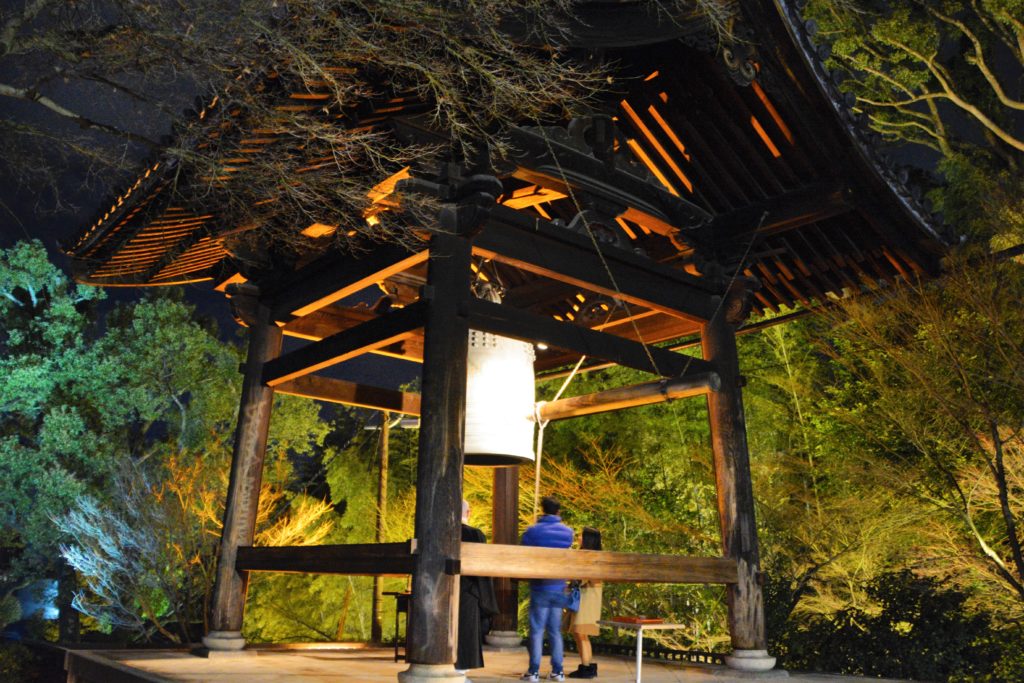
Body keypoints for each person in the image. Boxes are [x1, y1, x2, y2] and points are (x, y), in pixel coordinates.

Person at [520, 496, 574, 682]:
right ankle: (558, 671)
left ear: (542, 509)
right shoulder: (567, 532)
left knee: (536, 631)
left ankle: (533, 671)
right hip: (559, 586)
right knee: (555, 631)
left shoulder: (533, 531)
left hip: (540, 586)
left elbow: (524, 550)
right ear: (558, 511)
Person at [456, 500, 498, 680]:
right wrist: (486, 599)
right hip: (468, 590)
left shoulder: (440, 533)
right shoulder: (475, 534)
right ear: (469, 512)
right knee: (466, 631)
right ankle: (460, 674)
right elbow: (483, 569)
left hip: (441, 592)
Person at [567, 528, 603, 679]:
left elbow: (583, 576)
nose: (578, 537)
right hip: (586, 596)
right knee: (580, 633)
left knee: (581, 633)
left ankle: (586, 667)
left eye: (581, 535)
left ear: (588, 539)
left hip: (588, 597)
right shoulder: (588, 555)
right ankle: (587, 665)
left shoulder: (591, 556)